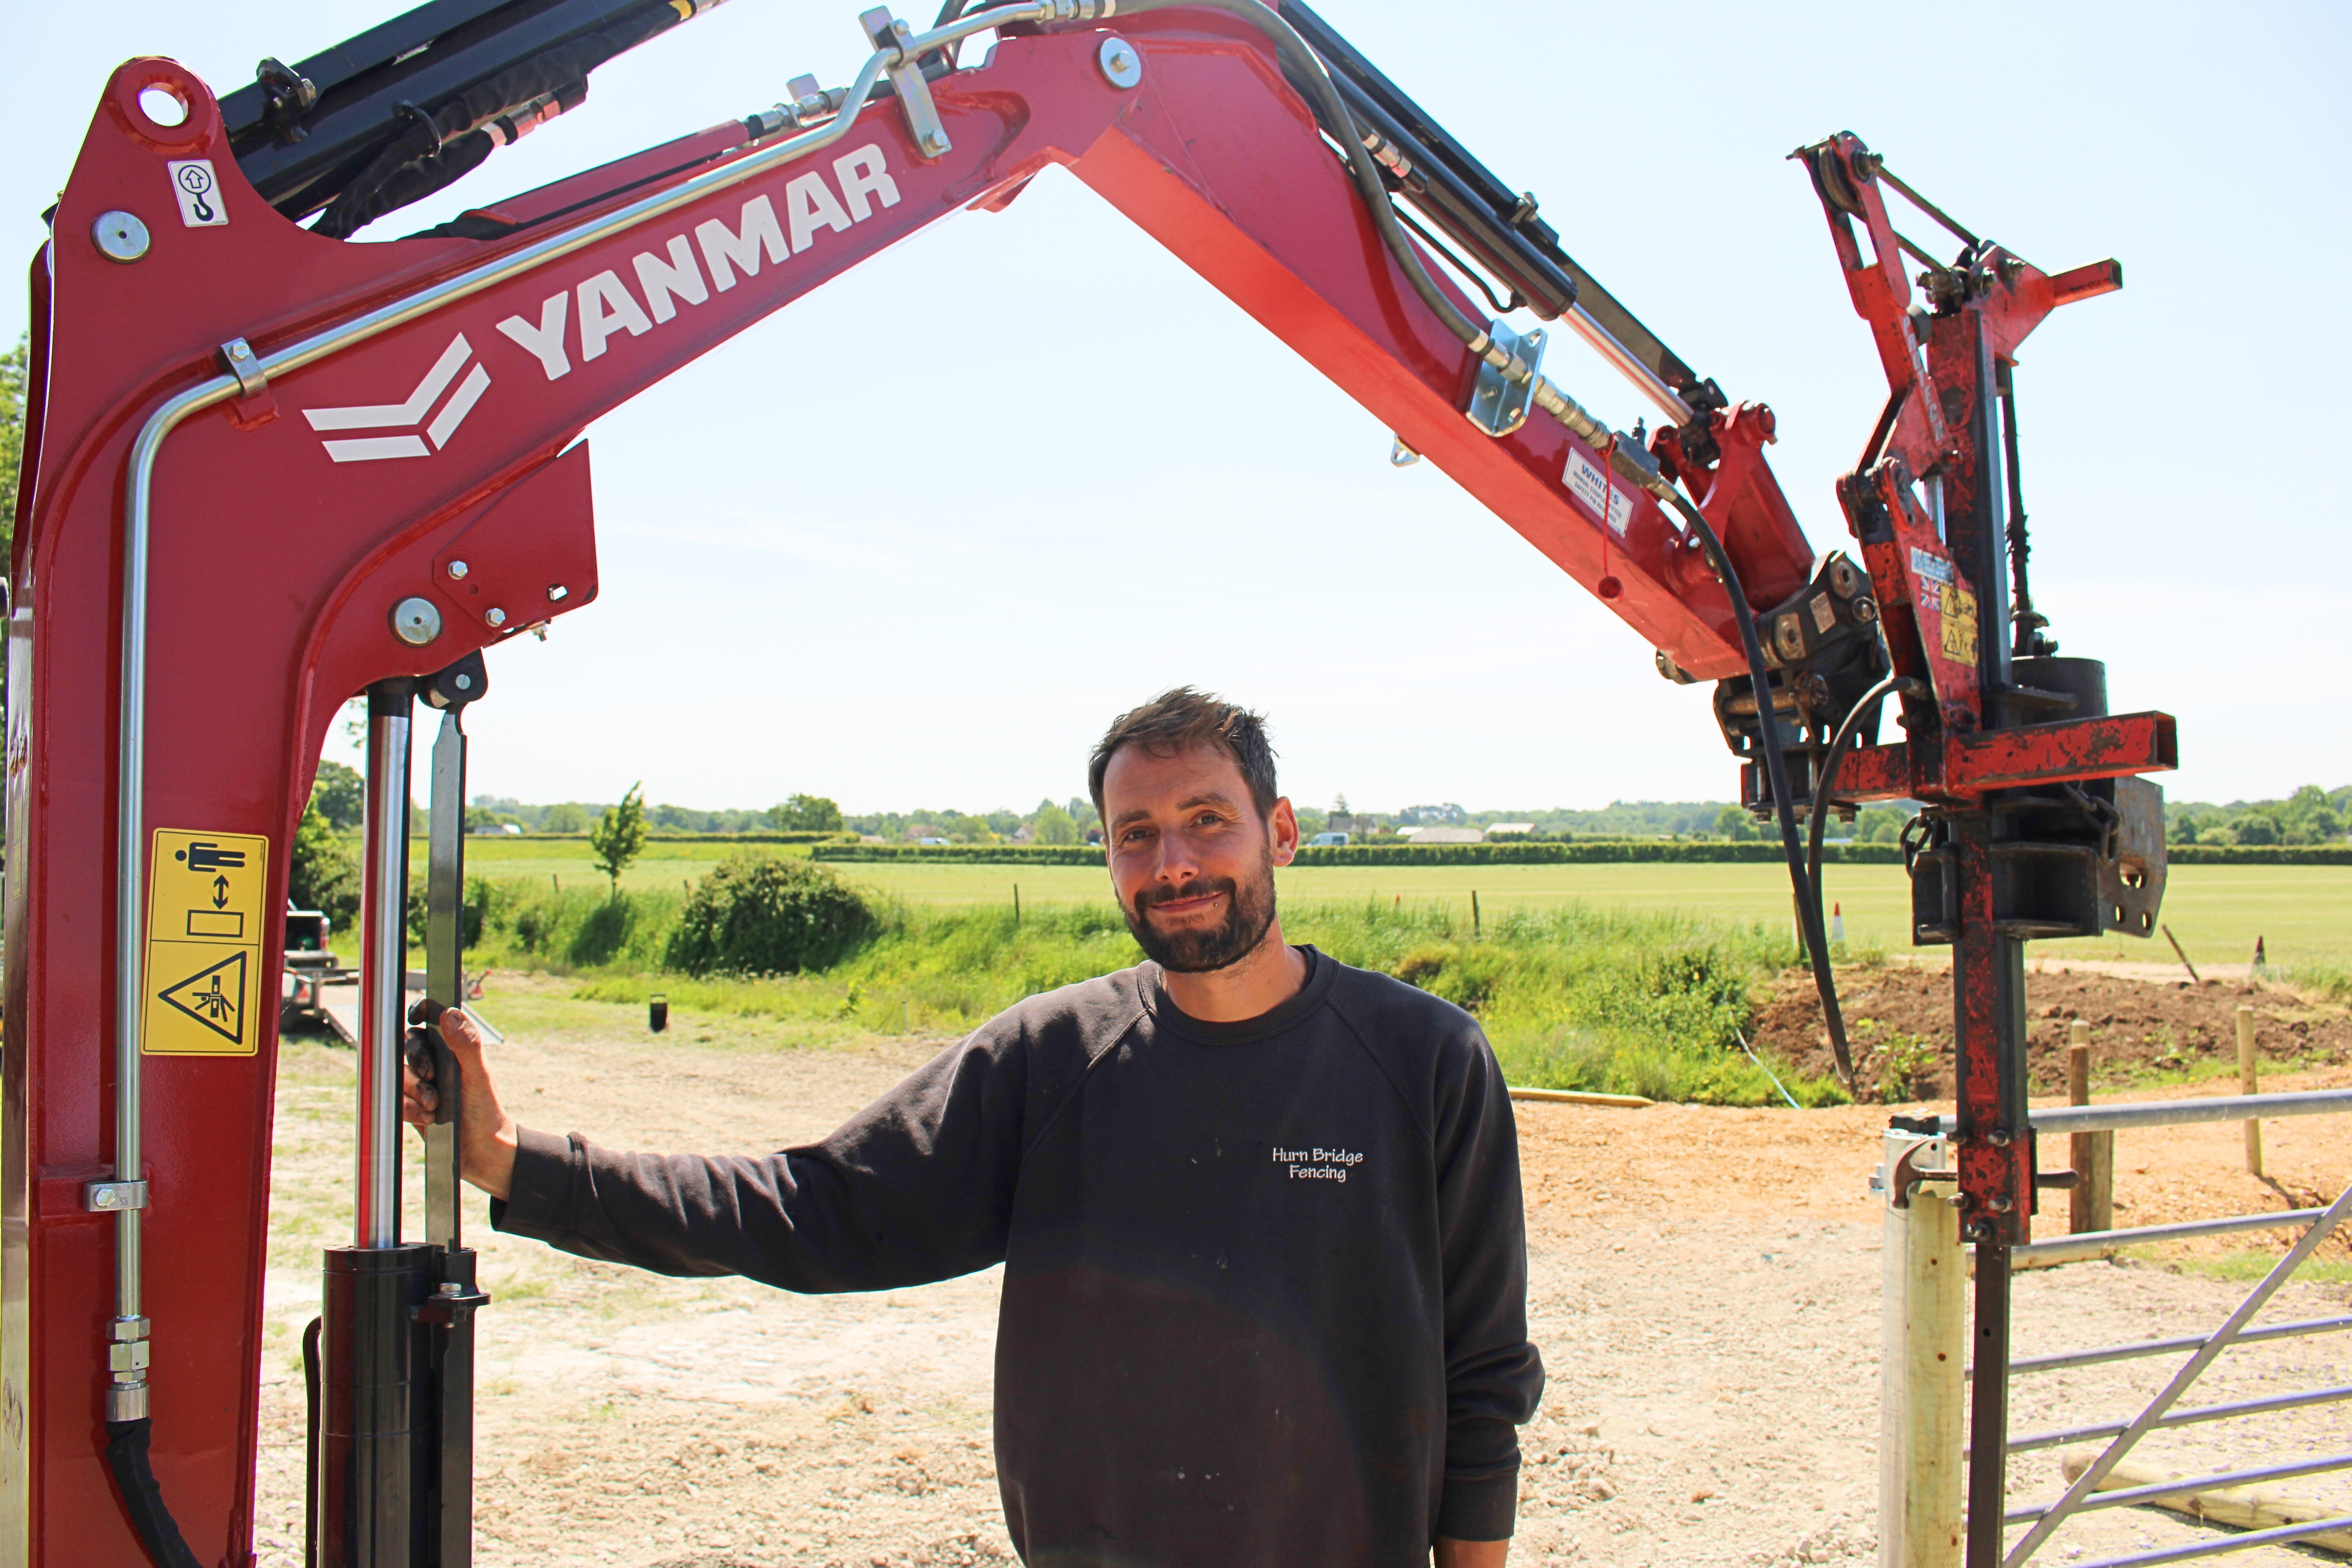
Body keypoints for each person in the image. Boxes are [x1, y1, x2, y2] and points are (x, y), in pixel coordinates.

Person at [407, 687, 1542, 1566]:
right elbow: (815, 1207)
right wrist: (516, 1164)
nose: (1173, 863)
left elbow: (1484, 1368)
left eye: (1207, 820)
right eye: (1135, 833)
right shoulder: (1053, 1060)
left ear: (1279, 830)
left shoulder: (1423, 1059)